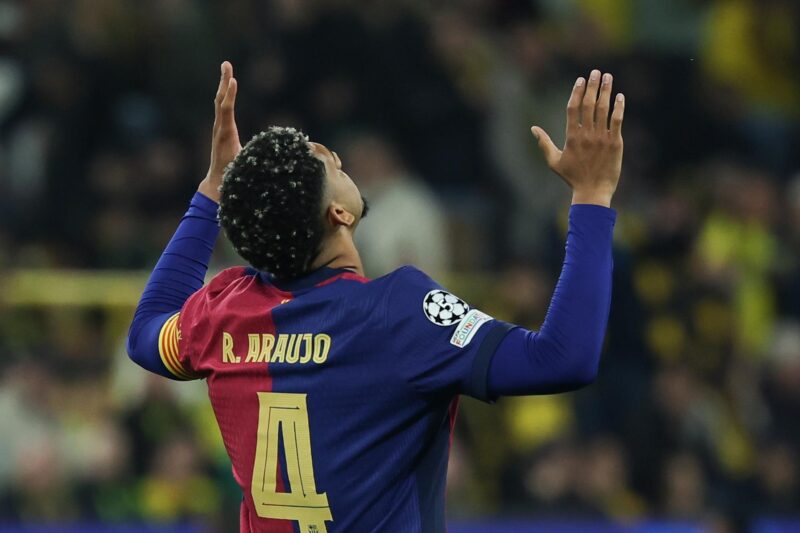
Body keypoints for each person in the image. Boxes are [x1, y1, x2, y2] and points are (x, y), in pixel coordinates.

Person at [127, 62, 624, 532]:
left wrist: (212, 190)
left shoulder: (224, 312)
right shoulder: (397, 313)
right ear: (339, 216)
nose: (338, 157)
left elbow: (146, 330)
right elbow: (563, 358)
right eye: (331, 165)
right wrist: (592, 197)